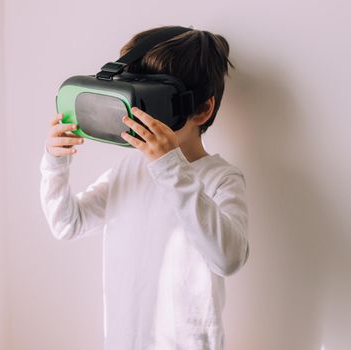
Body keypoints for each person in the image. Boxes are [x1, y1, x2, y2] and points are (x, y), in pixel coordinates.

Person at [39, 25, 249, 350]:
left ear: (201, 110)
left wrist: (170, 168)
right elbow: (68, 223)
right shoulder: (130, 169)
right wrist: (56, 162)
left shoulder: (220, 178)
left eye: (149, 102)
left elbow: (228, 259)